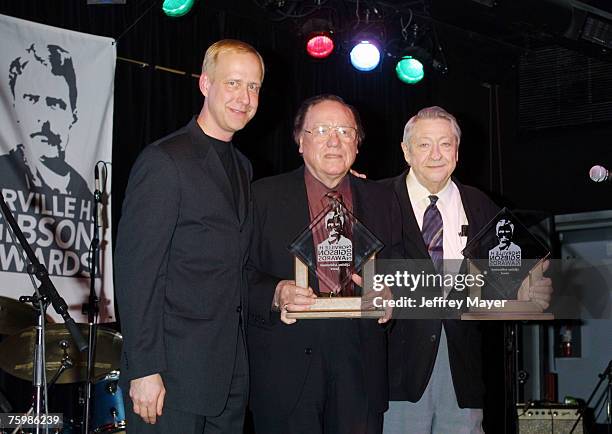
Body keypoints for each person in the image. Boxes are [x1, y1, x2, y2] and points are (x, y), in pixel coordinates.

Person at [114, 39, 264, 433]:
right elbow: (137, 274)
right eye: (233, 83)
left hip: (229, 375)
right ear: (205, 84)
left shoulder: (243, 168)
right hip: (170, 378)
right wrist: (144, 369)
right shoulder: (165, 161)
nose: (244, 97)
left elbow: (237, 267)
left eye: (253, 87)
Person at [382, 106, 553, 434]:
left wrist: (527, 290)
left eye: (445, 144)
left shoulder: (481, 205)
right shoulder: (376, 198)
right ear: (406, 151)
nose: (435, 154)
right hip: (397, 374)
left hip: (463, 375)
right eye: (424, 144)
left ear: (457, 152)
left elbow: (508, 275)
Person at [247, 94, 400, 434]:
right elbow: (235, 274)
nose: (335, 141)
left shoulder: (382, 199)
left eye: (345, 131)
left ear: (357, 145)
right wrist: (275, 293)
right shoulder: (262, 197)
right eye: (321, 130)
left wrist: (390, 295)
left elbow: (396, 266)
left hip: (360, 370)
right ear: (300, 141)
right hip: (284, 372)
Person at [1, 43, 89, 197]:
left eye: (55, 104)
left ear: (73, 115)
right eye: (31, 100)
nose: (44, 121)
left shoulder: (84, 192)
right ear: (14, 110)